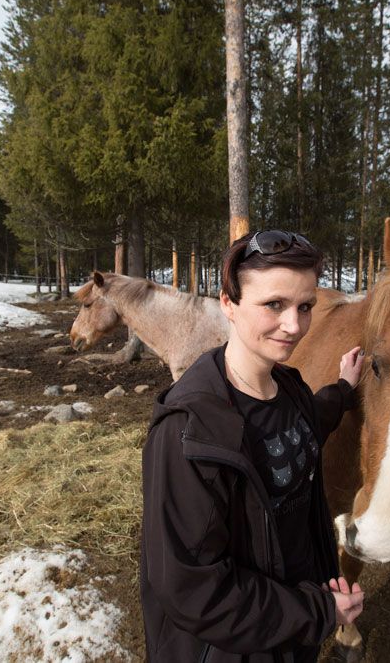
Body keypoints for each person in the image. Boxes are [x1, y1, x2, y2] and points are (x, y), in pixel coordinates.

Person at [140, 229, 365, 662]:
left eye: (304, 307)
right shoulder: (189, 432)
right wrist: (316, 610)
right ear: (229, 303)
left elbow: (303, 431)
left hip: (289, 629)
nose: (294, 325)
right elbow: (193, 589)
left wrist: (343, 387)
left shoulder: (288, 386)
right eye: (273, 305)